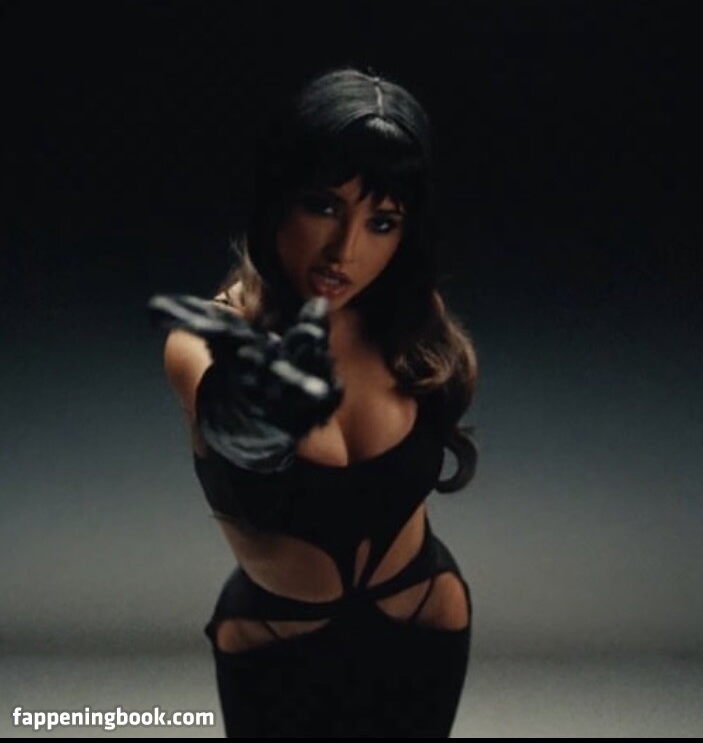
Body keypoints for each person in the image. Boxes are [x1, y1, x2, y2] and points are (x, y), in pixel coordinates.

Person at [149, 67, 478, 738]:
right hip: (277, 640)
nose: (344, 250)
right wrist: (256, 401)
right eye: (323, 206)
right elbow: (232, 417)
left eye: (381, 221)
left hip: (422, 616)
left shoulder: (412, 317)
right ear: (278, 198)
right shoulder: (202, 343)